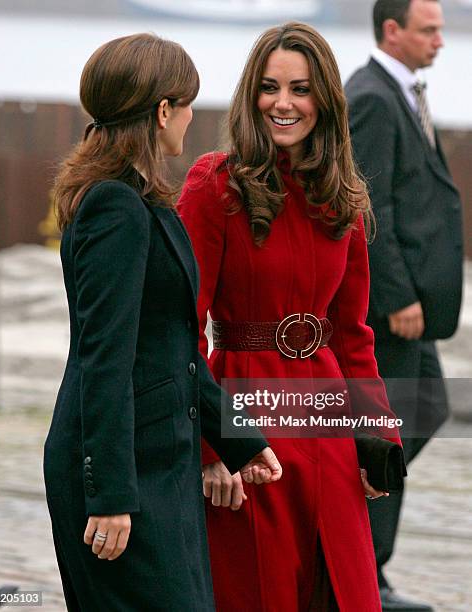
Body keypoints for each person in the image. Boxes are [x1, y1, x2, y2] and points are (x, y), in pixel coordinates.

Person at [43, 33, 282, 612]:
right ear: (162, 110)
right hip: (125, 474)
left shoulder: (142, 201)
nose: (193, 115)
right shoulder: (114, 207)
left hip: (160, 463)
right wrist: (110, 495)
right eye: (187, 101)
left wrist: (239, 441)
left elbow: (173, 348)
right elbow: (105, 356)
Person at [178, 21, 402, 612]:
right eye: (270, 87)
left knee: (344, 594)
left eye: (301, 89)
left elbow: (354, 334)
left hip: (328, 425)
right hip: (248, 424)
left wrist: (379, 433)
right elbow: (178, 328)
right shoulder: (215, 184)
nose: (284, 103)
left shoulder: (345, 197)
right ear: (252, 95)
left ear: (323, 99)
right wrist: (214, 446)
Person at [345, 1, 463, 610]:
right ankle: (363, 567)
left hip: (411, 306)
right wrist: (396, 296)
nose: (440, 39)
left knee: (427, 411)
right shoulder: (369, 96)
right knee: (384, 435)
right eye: (429, 29)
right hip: (392, 309)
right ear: (392, 30)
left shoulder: (403, 92)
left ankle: (360, 551)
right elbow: (367, 207)